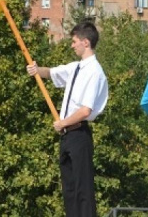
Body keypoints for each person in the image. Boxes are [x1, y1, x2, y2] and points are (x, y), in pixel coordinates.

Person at [27, 21, 109, 217]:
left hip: (79, 133)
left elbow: (85, 110)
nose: (72, 45)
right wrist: (37, 70)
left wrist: (63, 122)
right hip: (67, 137)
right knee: (70, 190)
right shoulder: (76, 68)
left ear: (85, 42)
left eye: (74, 41)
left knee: (83, 190)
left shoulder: (94, 72)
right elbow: (53, 73)